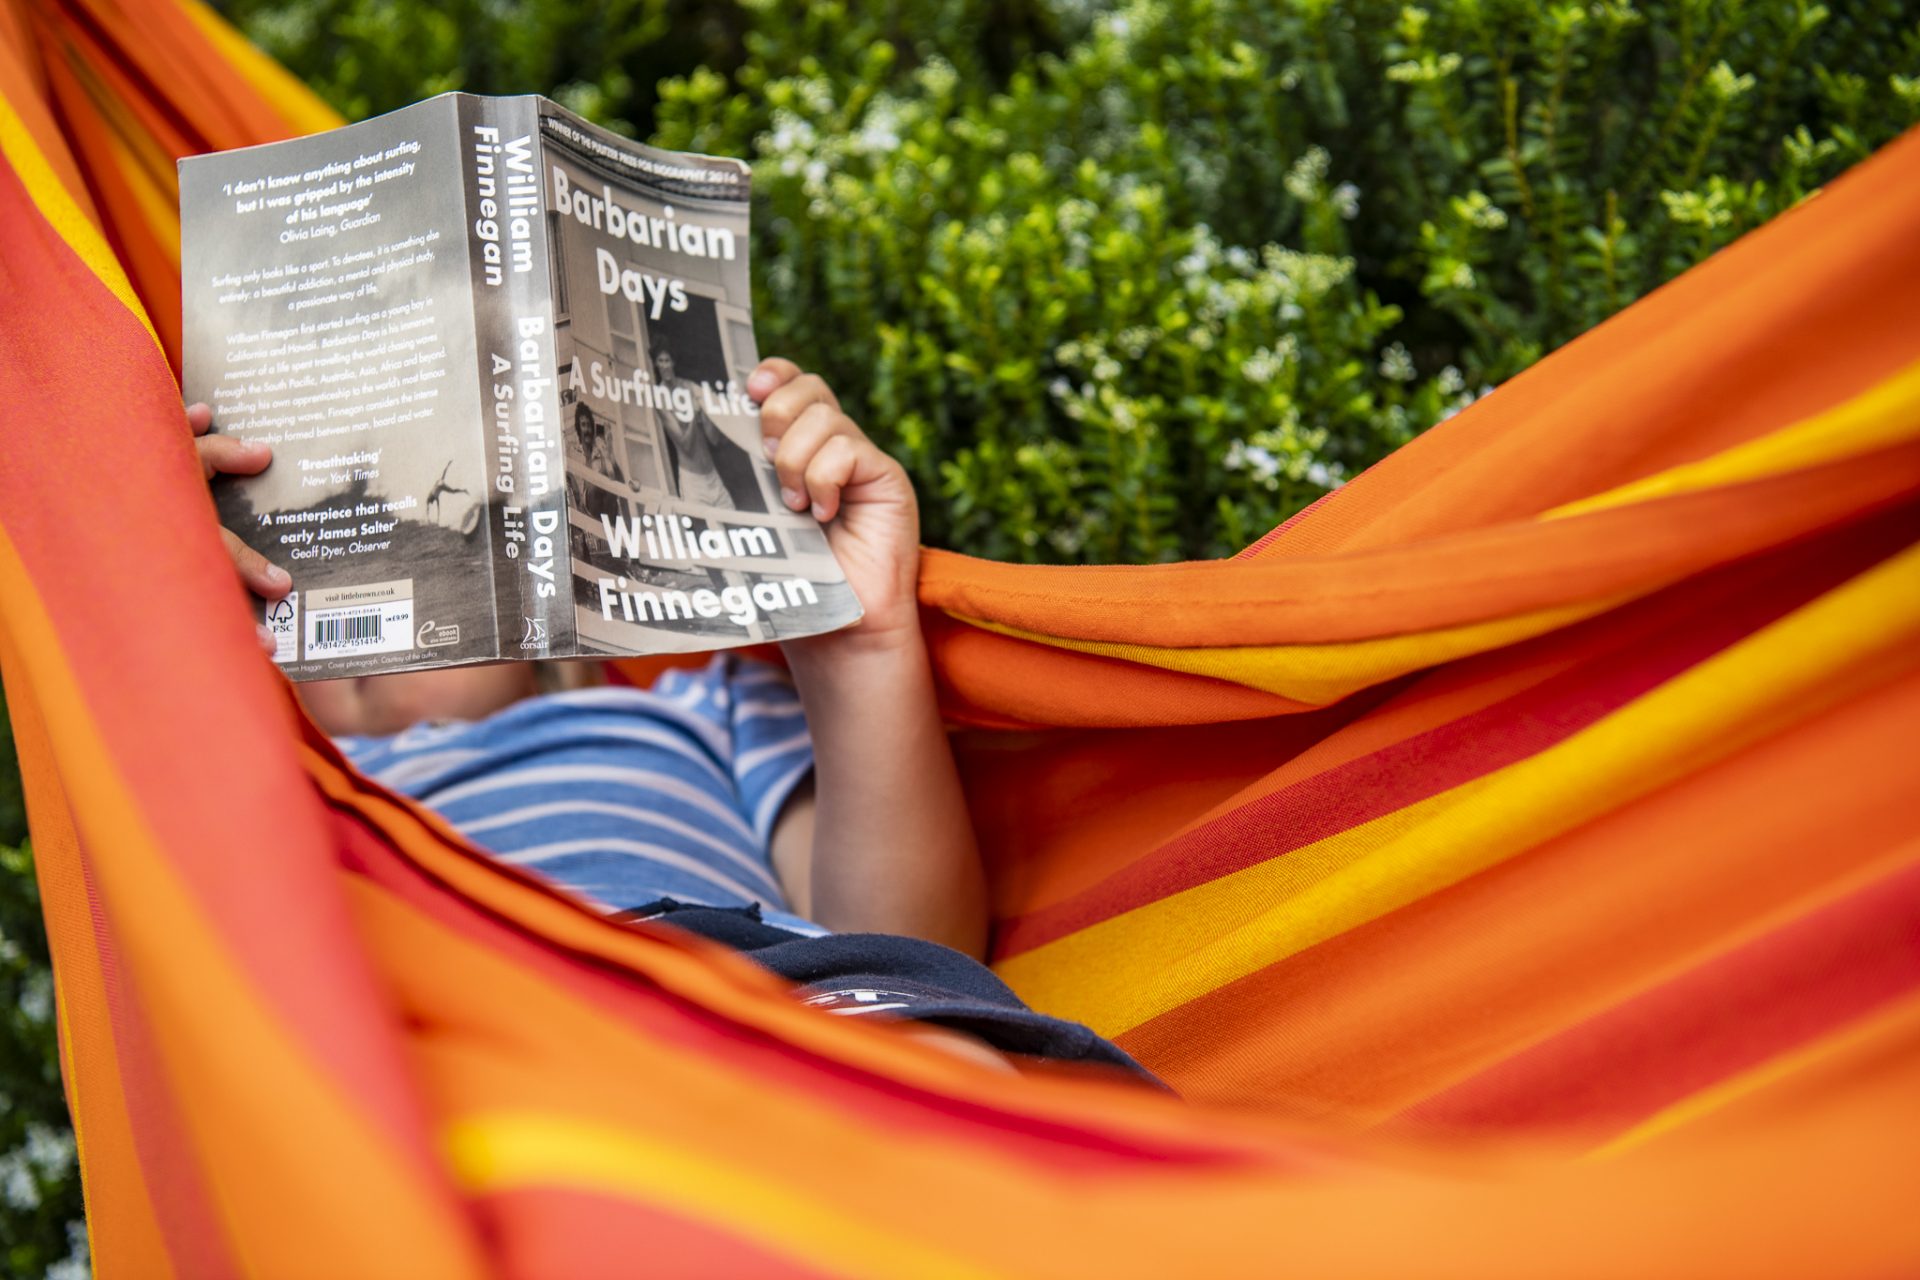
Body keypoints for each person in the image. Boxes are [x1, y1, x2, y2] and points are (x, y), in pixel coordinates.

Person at [192, 359, 1156, 1082]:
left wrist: (860, 643)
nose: (368, 575)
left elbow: (902, 939)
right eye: (308, 558)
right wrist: (149, 554)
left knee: (953, 1072)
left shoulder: (698, 706)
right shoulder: (273, 777)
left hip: (756, 993)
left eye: (425, 538)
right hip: (463, 1036)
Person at [650, 345, 767, 512]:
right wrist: (693, 414)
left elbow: (714, 439)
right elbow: (686, 445)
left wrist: (708, 411)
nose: (664, 365)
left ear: (673, 362)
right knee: (703, 533)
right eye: (660, 361)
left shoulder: (690, 387)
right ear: (655, 364)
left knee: (733, 523)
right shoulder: (660, 398)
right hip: (692, 481)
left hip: (712, 475)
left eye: (667, 360)